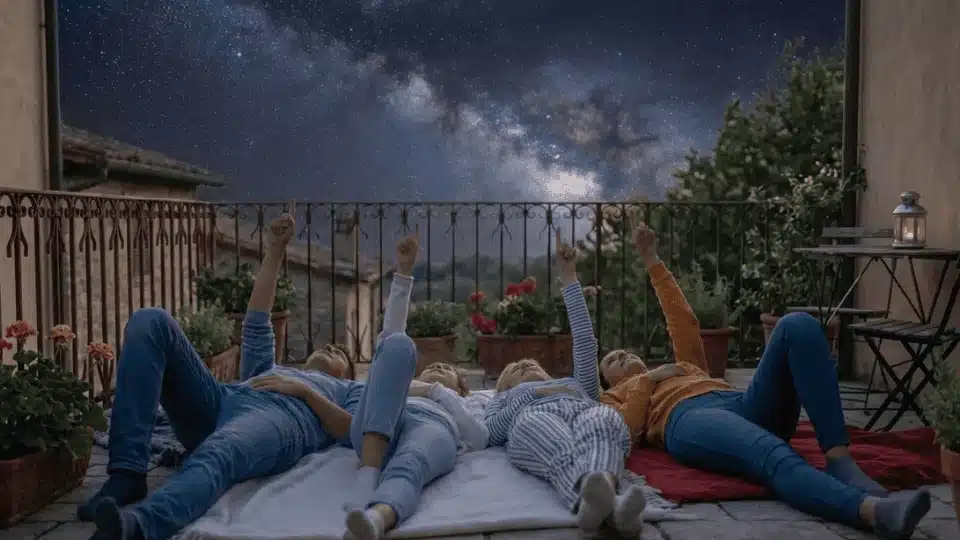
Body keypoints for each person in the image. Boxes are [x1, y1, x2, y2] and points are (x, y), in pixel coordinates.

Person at [598, 220, 932, 540]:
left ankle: (839, 460)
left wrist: (650, 258)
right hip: (688, 420)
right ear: (611, 382)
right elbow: (626, 430)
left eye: (622, 351)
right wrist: (647, 380)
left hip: (739, 403)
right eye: (612, 360)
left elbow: (682, 320)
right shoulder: (617, 397)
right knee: (769, 452)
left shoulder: (685, 365)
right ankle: (874, 512)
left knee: (796, 324)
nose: (621, 355)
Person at [81, 211, 384, 540]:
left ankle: (138, 527)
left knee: (221, 451)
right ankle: (127, 471)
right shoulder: (269, 369)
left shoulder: (345, 388)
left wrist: (307, 393)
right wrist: (276, 249)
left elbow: (353, 432)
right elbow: (257, 321)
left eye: (339, 353)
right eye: (326, 347)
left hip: (278, 420)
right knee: (150, 321)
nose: (330, 349)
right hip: (222, 401)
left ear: (347, 372)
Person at [483, 228, 647, 539]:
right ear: (505, 387)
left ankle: (601, 499)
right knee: (546, 433)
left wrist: (569, 277)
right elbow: (490, 433)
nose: (525, 362)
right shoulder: (507, 400)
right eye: (516, 368)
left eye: (530, 362)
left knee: (604, 421)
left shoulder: (576, 383)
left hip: (582, 408)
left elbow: (585, 342)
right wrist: (531, 395)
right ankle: (602, 503)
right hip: (535, 418)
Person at [335, 229, 489, 540]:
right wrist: (404, 271)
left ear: (460, 388)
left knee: (412, 464)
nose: (437, 367)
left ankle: (377, 518)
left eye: (446, 369)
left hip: (431, 427)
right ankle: (369, 471)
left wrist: (435, 391)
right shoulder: (398, 385)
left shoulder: (461, 402)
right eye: (433, 367)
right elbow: (391, 335)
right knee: (399, 344)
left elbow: (480, 438)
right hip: (375, 427)